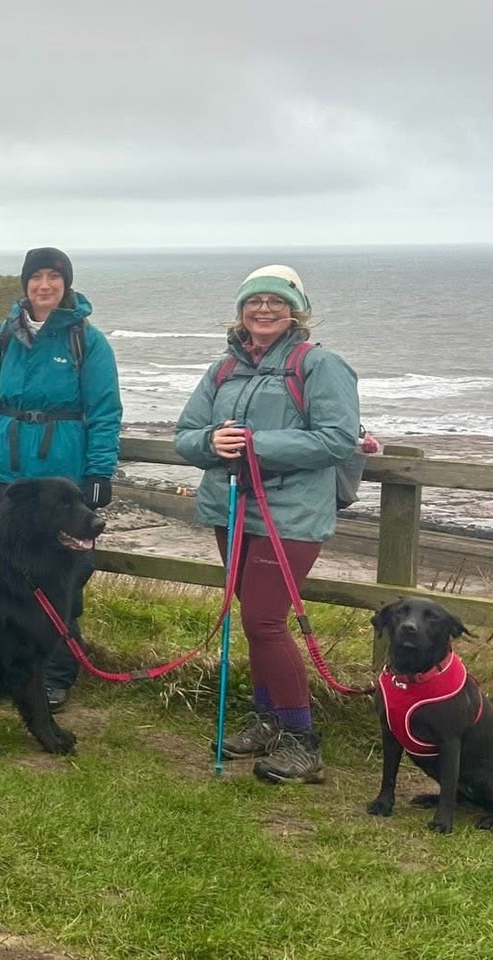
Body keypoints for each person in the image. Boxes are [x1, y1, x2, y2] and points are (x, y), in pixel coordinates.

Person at [175, 264, 360, 785]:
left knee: (264, 620)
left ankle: (302, 742)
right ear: (240, 311)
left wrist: (255, 443)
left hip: (293, 513)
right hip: (231, 507)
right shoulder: (222, 369)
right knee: (254, 618)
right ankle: (267, 721)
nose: (264, 309)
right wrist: (212, 441)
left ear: (296, 310)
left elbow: (337, 438)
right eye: (254, 301)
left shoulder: (320, 365)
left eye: (276, 301)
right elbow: (186, 434)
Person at [0, 247, 122, 711]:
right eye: (36, 277)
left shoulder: (87, 342)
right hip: (6, 480)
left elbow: (105, 410)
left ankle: (54, 675)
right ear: (24, 284)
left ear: (66, 284)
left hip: (60, 488)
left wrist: (97, 471)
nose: (44, 285)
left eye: (54, 277)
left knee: (64, 583)